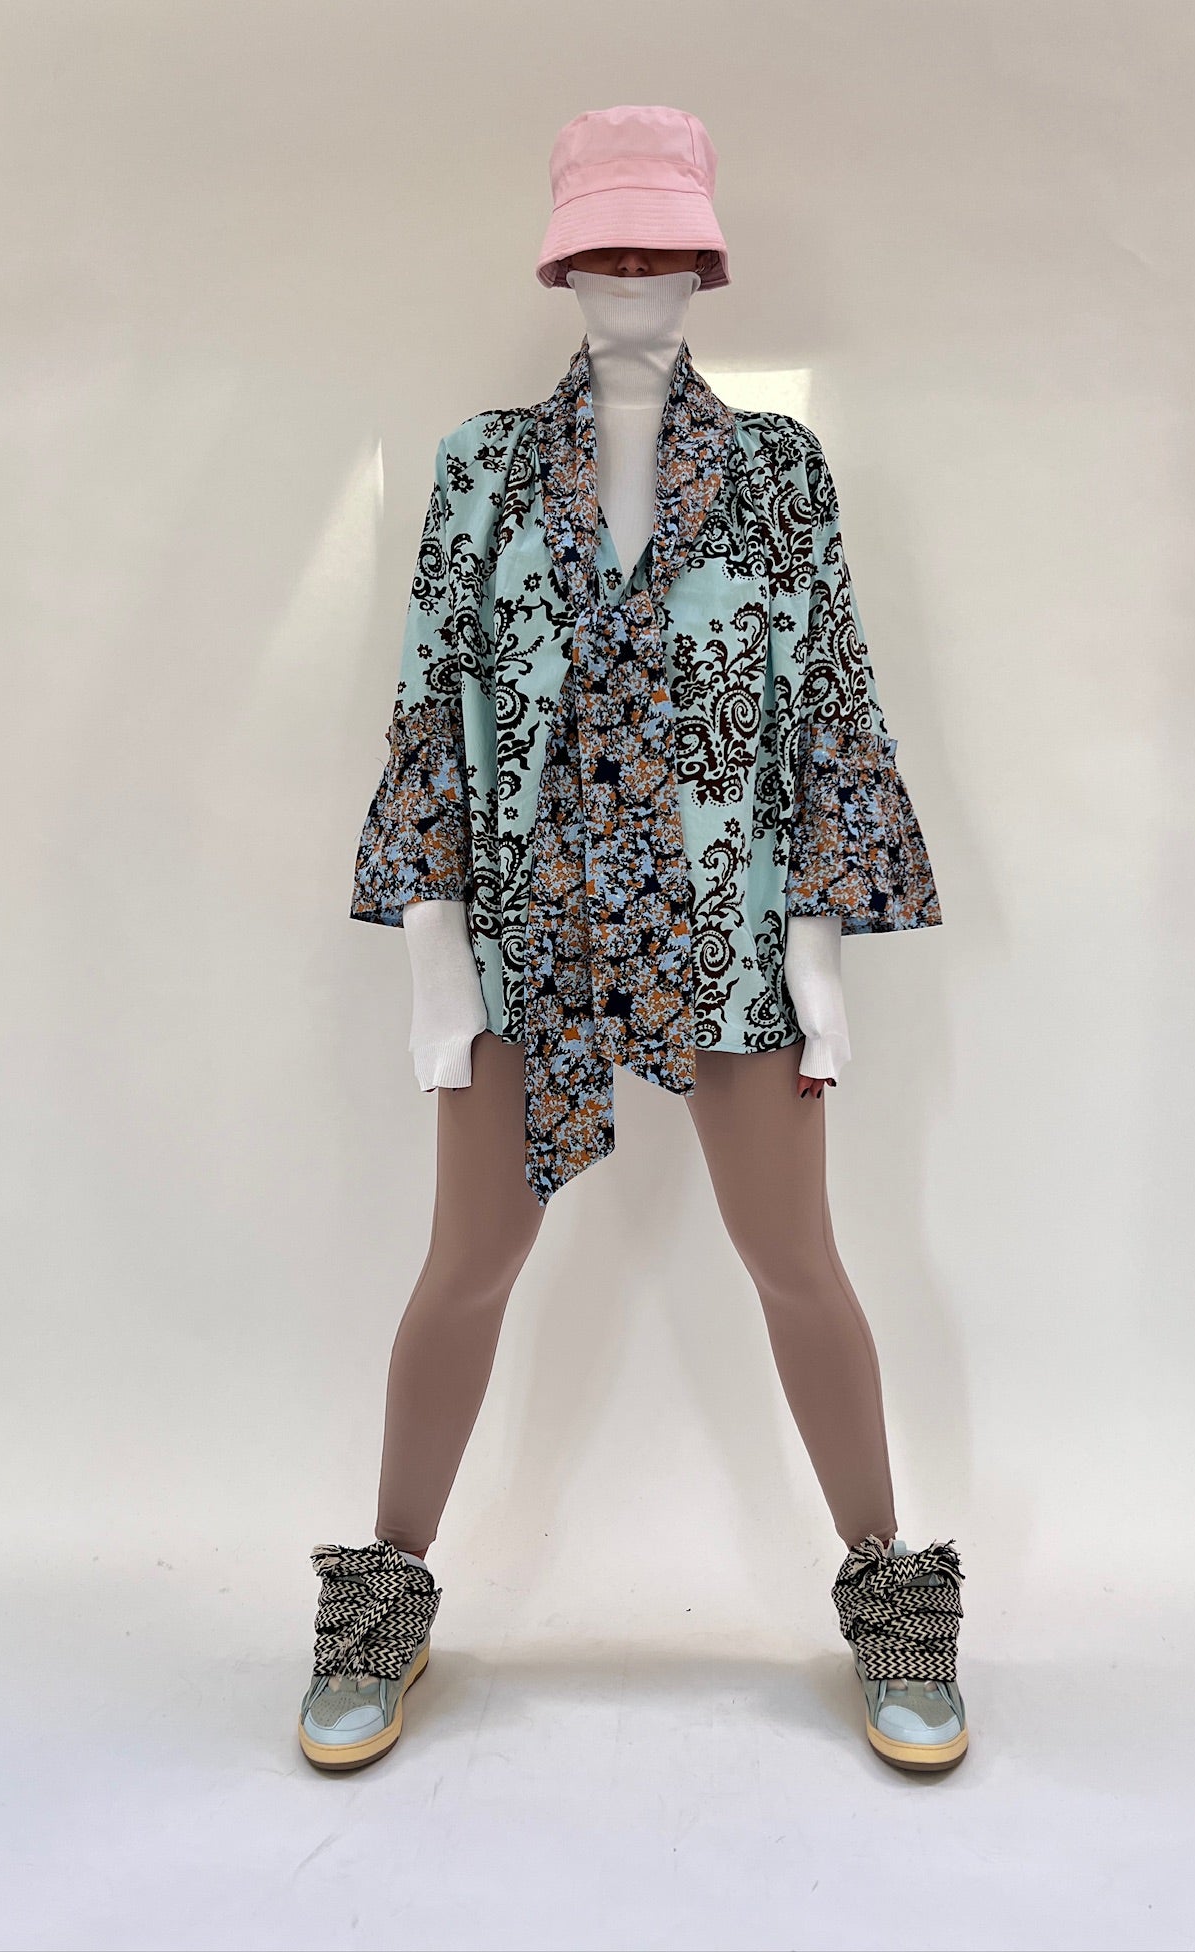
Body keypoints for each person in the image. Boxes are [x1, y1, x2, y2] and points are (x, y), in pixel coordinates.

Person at [296, 106, 968, 1775]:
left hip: (728, 932)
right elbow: (432, 713)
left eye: (665, 245)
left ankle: (892, 1596)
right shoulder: (476, 470)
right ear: (562, 262)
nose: (635, 274)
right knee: (467, 1266)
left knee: (796, 1262)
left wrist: (820, 953)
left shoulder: (781, 474)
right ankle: (383, 1600)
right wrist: (435, 955)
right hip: (528, 938)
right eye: (605, 244)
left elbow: (827, 706)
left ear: (707, 264)